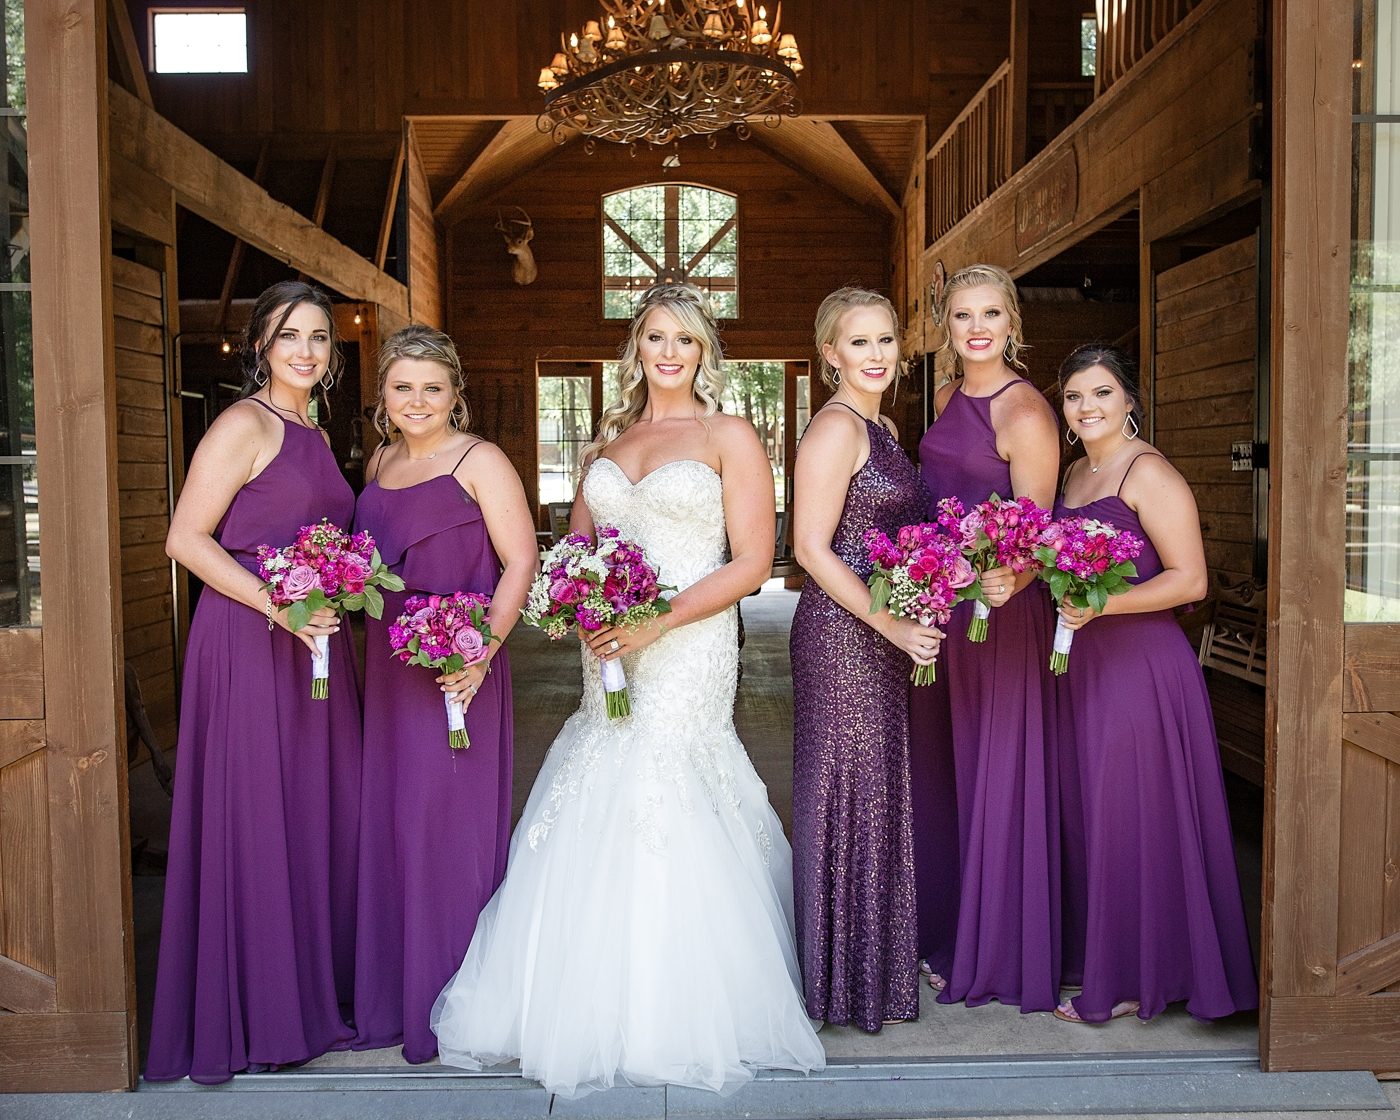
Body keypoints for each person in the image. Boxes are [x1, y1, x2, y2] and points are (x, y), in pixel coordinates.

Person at [431, 283, 826, 1097]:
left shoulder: (728, 435)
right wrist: (578, 607)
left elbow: (754, 561)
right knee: (601, 766)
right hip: (607, 646)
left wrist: (658, 622)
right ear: (636, 348)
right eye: (655, 337)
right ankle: (581, 997)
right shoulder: (608, 441)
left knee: (669, 775)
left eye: (685, 339)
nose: (669, 352)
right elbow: (577, 550)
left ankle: (682, 1008)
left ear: (704, 351)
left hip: (687, 644)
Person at [147, 280, 360, 1083]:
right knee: (256, 810)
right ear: (260, 346)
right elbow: (186, 539)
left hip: (310, 642)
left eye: (318, 337)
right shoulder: (244, 423)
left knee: (305, 808)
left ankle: (302, 995)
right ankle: (256, 1011)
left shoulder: (313, 428)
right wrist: (279, 605)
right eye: (288, 335)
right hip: (248, 638)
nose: (305, 350)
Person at [1052, 344, 1258, 1023]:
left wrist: (1103, 605)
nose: (1087, 407)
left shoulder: (1150, 472)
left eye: (1102, 393)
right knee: (1098, 814)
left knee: (1136, 815)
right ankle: (1113, 958)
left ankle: (1138, 979)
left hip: (1141, 667)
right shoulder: (1076, 473)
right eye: (1075, 396)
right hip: (1086, 664)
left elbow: (1190, 580)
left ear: (1130, 401)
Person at [350, 325, 536, 1062]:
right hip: (388, 670)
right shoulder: (380, 462)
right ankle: (397, 995)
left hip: (459, 666)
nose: (417, 400)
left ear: (456, 394)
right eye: (403, 387)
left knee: (444, 827)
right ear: (383, 395)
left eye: (433, 387)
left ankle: (458, 1001)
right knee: (393, 823)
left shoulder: (479, 460)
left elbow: (521, 560)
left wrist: (481, 652)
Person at [910, 263, 1066, 1013]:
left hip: (997, 617)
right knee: (944, 768)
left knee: (992, 769)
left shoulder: (1026, 412)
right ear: (947, 325)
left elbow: (1038, 530)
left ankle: (997, 947)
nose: (977, 328)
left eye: (991, 314)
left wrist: (1010, 578)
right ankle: (947, 926)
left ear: (1012, 323)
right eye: (963, 315)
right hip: (941, 609)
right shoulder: (946, 396)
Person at [789, 288, 935, 1031]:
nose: (876, 355)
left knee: (877, 791)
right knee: (846, 793)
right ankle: (837, 982)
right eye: (859, 342)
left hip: (881, 630)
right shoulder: (835, 428)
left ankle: (868, 972)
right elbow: (811, 549)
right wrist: (894, 624)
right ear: (831, 354)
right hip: (844, 635)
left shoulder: (884, 427)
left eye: (885, 340)